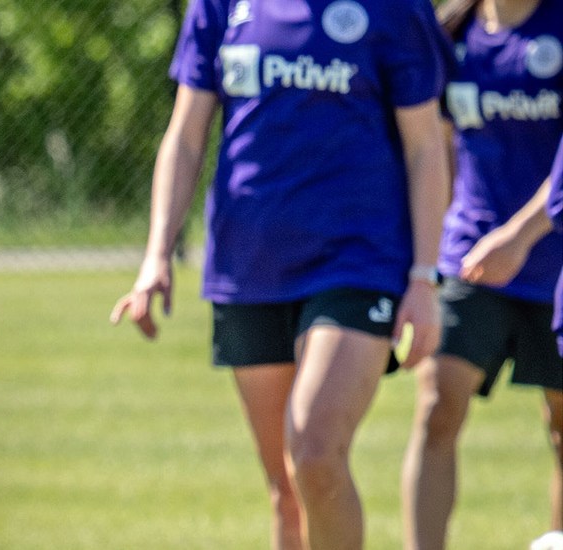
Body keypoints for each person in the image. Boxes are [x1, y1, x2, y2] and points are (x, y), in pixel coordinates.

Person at [110, 0, 453, 548]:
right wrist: (156, 254)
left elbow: (426, 146)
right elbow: (187, 135)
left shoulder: (393, 8)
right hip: (248, 265)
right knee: (287, 491)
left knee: (315, 451)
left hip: (357, 259)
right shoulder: (219, 7)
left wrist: (423, 277)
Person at [397, 1, 563, 549]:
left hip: (553, 260)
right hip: (469, 258)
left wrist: (521, 235)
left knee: (561, 424)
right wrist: (425, 254)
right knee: (437, 404)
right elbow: (435, 148)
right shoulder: (450, 35)